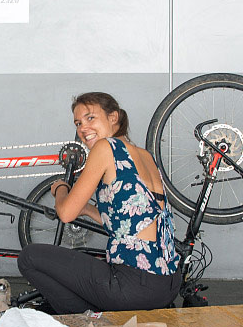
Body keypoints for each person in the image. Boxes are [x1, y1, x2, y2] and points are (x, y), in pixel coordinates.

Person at [17, 92, 180, 313]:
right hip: (166, 285)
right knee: (82, 268)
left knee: (29, 257)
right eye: (78, 123)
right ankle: (94, 312)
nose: (83, 128)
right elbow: (132, 222)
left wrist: (61, 189)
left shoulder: (106, 147)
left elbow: (65, 213)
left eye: (90, 118)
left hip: (133, 286)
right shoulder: (145, 156)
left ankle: (82, 319)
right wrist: (87, 210)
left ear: (113, 117)